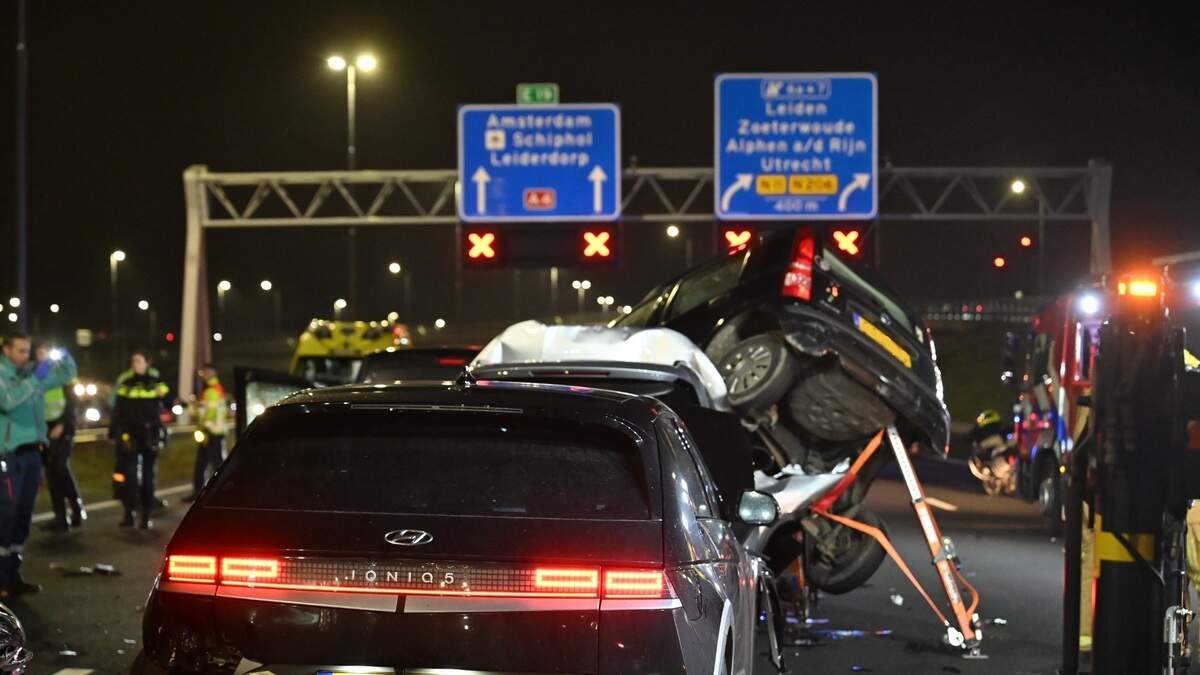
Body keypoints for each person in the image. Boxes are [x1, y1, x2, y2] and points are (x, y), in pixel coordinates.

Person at [0, 332, 76, 595]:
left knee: (24, 514)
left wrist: (63, 355)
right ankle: (1, 577)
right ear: (6, 350)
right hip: (9, 454)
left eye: (27, 350)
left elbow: (66, 375)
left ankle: (12, 575)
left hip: (33, 453)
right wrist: (35, 379)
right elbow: (8, 401)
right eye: (20, 350)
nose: (25, 355)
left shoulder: (32, 374)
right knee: (6, 514)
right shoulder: (3, 374)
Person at [110, 349, 169, 529]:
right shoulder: (126, 384)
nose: (135, 364)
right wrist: (113, 432)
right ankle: (129, 514)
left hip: (150, 434)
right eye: (133, 361)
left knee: (148, 477)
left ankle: (146, 516)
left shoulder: (156, 383)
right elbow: (118, 409)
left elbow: (167, 400)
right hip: (130, 434)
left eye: (138, 361)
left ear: (147, 363)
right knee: (129, 476)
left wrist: (161, 393)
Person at [36, 344, 85, 531]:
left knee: (60, 467)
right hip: (45, 429)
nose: (42, 356)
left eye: (45, 352)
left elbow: (72, 403)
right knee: (51, 472)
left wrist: (62, 424)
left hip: (63, 427)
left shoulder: (62, 374)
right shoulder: (36, 376)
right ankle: (60, 516)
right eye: (39, 352)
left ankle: (76, 508)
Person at [183, 363, 228, 502]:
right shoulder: (213, 388)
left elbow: (210, 412)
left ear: (211, 373)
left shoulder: (211, 390)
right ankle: (218, 491)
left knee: (208, 463)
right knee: (211, 463)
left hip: (210, 431)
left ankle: (213, 492)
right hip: (214, 431)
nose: (202, 375)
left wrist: (205, 428)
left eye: (204, 372)